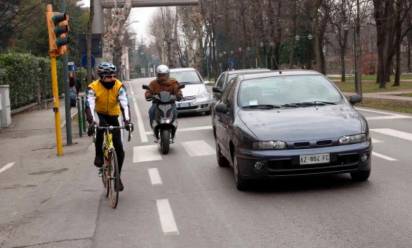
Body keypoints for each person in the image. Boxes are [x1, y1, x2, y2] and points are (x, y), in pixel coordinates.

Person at [85, 62, 133, 191]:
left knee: (120, 149)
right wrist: (91, 122)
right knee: (100, 128)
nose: (112, 79)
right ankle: (99, 155)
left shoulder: (119, 86)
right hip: (99, 114)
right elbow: (89, 106)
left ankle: (118, 176)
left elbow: (124, 104)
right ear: (101, 76)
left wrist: (127, 121)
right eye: (108, 76)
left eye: (113, 76)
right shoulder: (93, 87)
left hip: (114, 115)